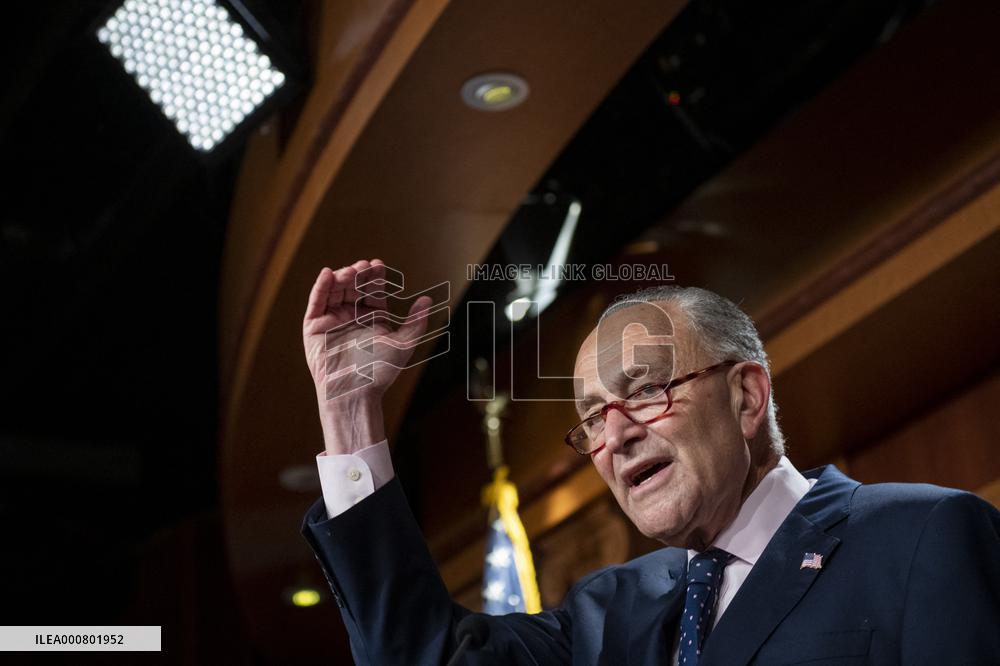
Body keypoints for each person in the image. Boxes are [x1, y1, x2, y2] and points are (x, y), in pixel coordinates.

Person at [300, 258, 1000, 665]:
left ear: (747, 395)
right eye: (591, 418)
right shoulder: (606, 617)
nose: (616, 434)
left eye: (646, 393)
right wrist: (350, 414)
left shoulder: (921, 538)